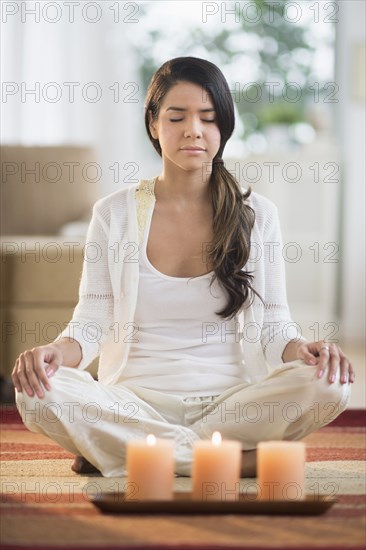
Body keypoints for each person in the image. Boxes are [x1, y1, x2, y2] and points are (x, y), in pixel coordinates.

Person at [13, 57, 354, 480]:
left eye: (208, 119)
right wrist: (52, 355)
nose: (194, 129)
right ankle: (224, 461)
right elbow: (92, 323)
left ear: (223, 129)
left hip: (230, 405)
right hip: (133, 404)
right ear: (154, 124)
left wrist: (303, 351)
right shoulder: (114, 214)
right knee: (35, 393)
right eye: (177, 117)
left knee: (331, 383)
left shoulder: (257, 215)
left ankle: (126, 452)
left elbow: (274, 328)